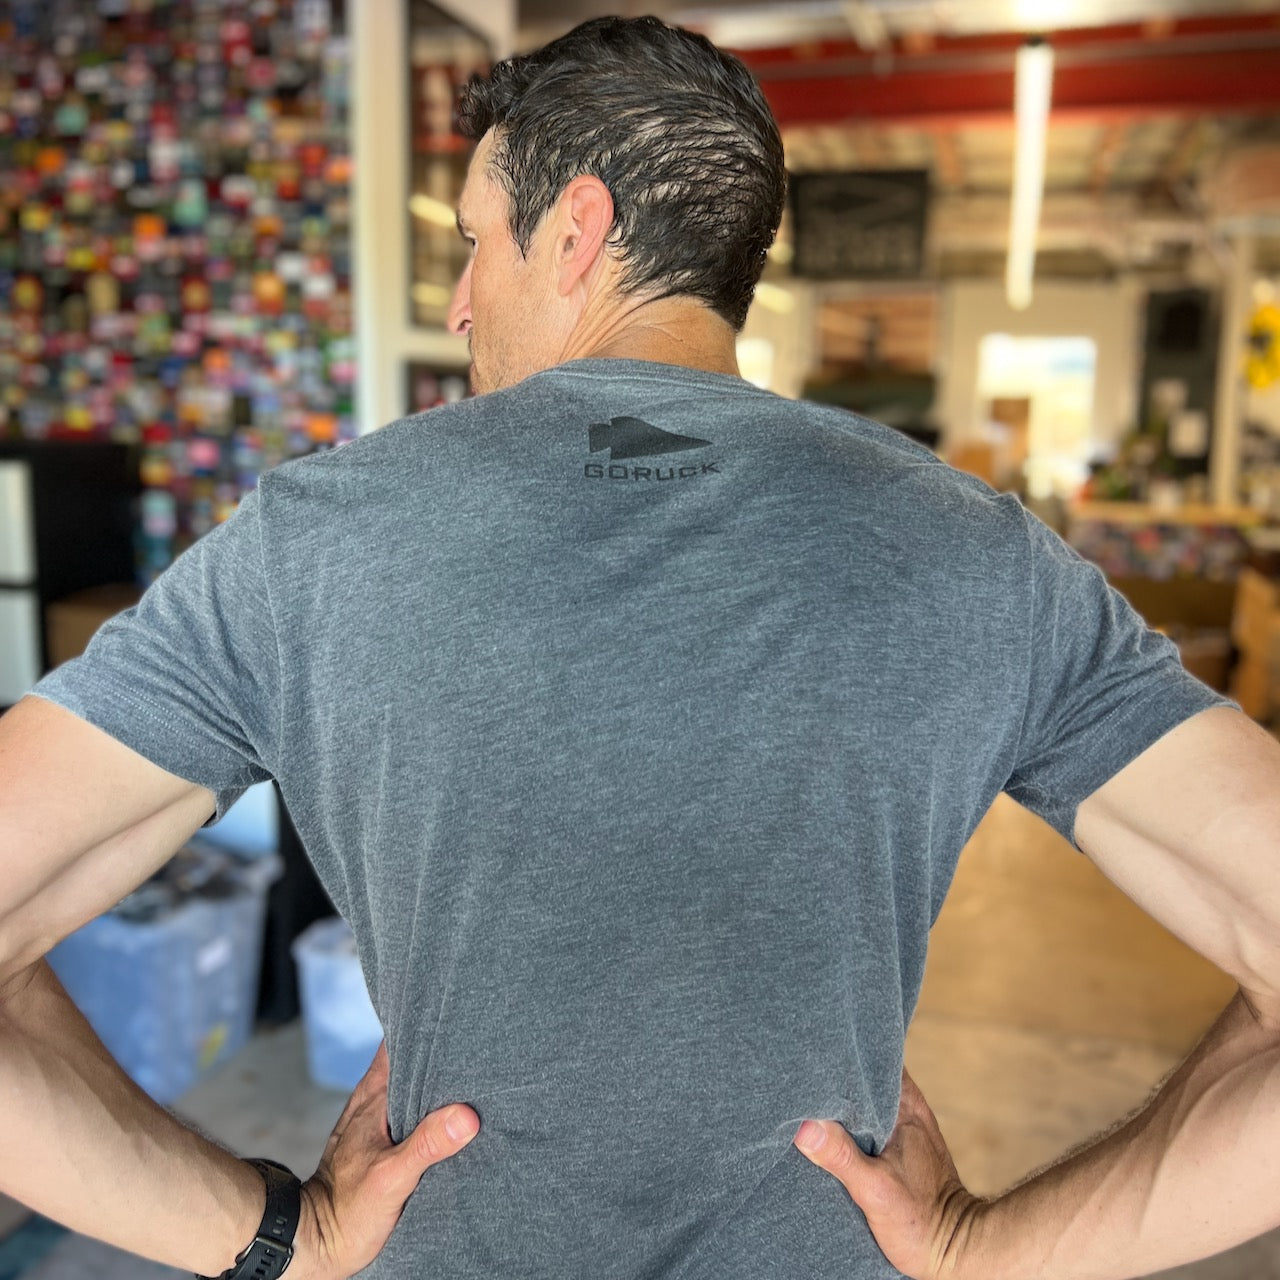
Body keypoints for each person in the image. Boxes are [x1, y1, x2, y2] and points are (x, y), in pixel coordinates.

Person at [1, 14, 1278, 1280]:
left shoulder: (306, 548)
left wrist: (270, 1233)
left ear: (577, 233)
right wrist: (996, 1248)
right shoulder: (984, 557)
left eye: (471, 245)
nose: (454, 304)